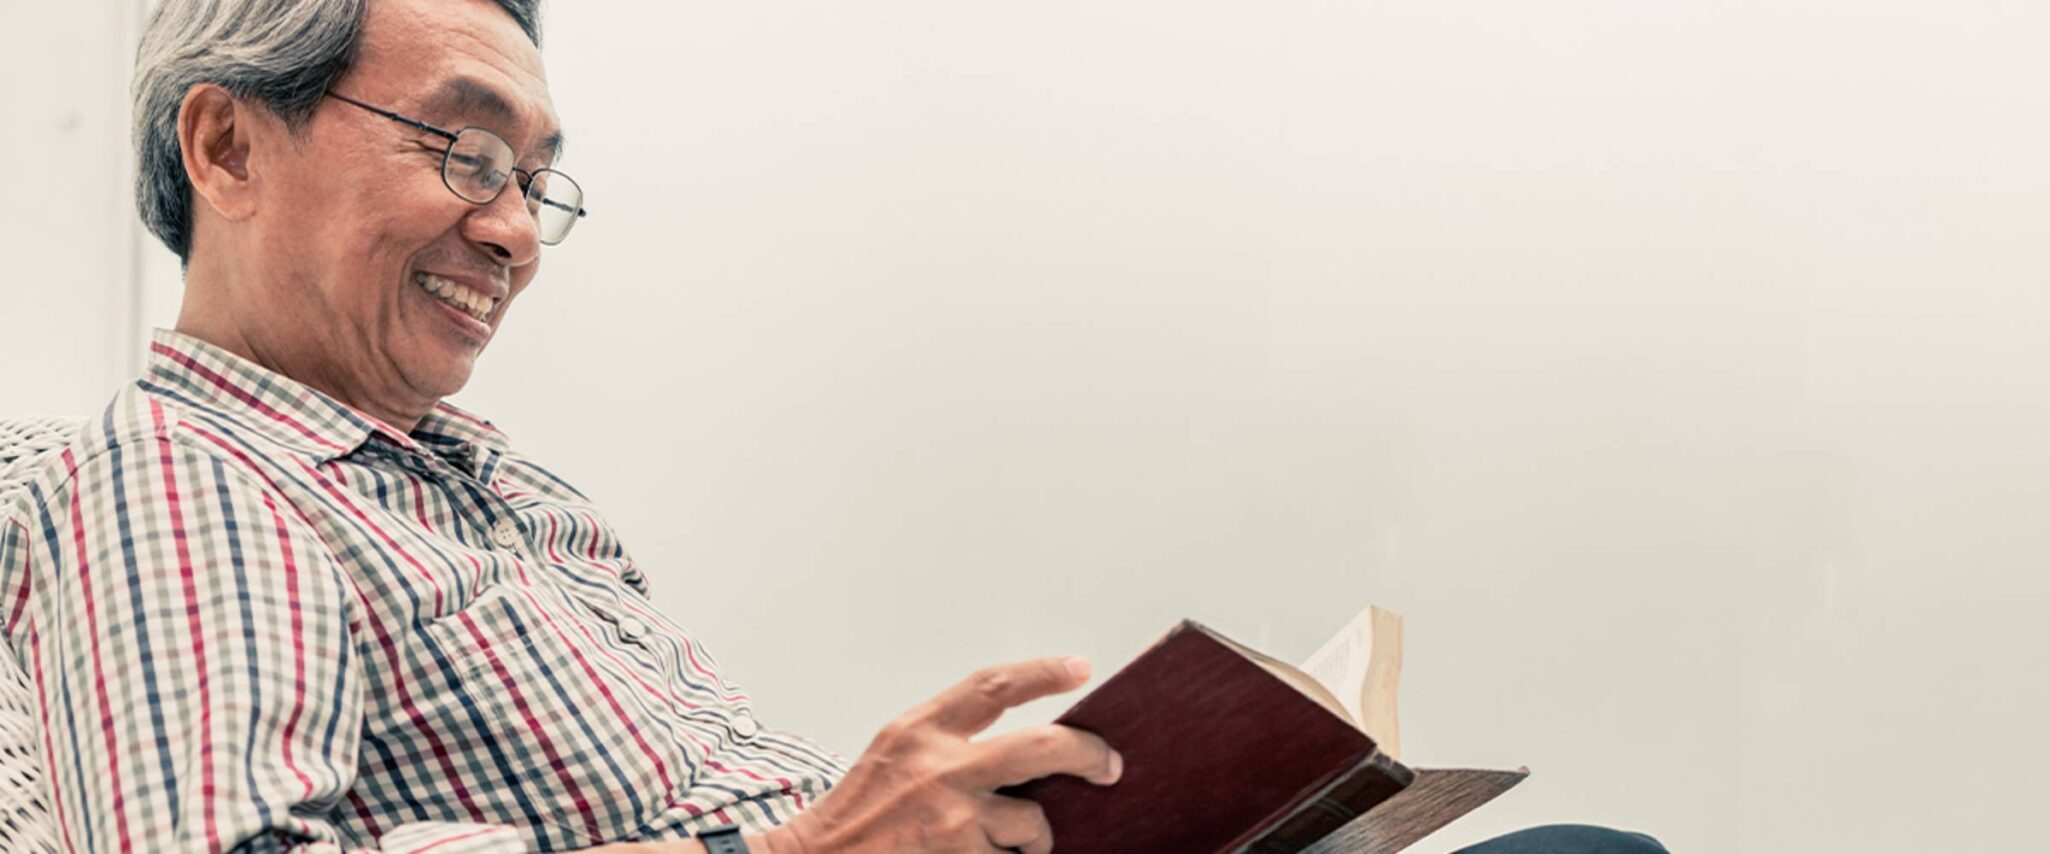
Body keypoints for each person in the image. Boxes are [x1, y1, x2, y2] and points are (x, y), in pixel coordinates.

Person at [0, 1, 1663, 851]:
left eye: (534, 177)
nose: (512, 230)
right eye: (462, 149)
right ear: (225, 147)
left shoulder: (517, 499)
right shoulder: (183, 479)